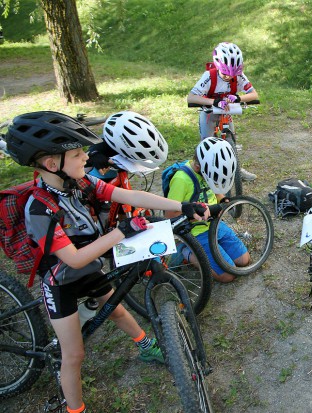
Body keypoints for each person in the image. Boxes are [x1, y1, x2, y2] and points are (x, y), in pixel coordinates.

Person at [5, 111, 210, 413]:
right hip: (61, 282)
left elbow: (129, 195)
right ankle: (76, 409)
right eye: (77, 154)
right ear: (52, 165)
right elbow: (73, 259)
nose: (86, 158)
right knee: (73, 356)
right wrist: (119, 233)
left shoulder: (79, 183)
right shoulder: (40, 209)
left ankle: (145, 346)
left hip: (88, 270)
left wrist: (181, 206)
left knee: (116, 309)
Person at [164, 137, 250, 284]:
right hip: (196, 232)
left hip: (214, 225)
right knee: (228, 276)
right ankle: (186, 251)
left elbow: (215, 190)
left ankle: (214, 250)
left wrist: (222, 199)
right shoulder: (181, 180)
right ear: (198, 166)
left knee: (244, 260)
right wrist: (203, 211)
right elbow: (170, 215)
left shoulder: (209, 168)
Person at [187, 41, 259, 182]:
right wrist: (213, 101)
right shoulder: (209, 76)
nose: (229, 77)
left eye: (233, 74)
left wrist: (238, 97)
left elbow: (254, 94)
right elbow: (191, 97)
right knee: (206, 143)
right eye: (225, 74)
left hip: (227, 111)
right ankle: (202, 171)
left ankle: (237, 169)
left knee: (232, 139)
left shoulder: (238, 75)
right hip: (209, 111)